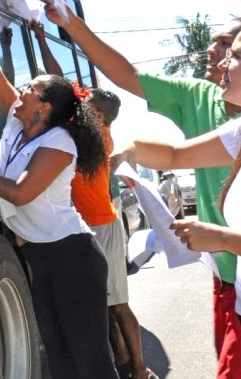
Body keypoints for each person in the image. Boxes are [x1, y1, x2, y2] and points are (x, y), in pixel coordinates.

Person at [38, 0, 241, 378]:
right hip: (227, 274)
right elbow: (132, 83)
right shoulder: (207, 104)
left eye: (228, 47)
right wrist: (71, 25)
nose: (214, 53)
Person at [0, 0, 117, 378]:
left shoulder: (57, 143)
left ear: (44, 109)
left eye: (30, 90)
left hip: (72, 256)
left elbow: (21, 194)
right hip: (42, 256)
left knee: (90, 361)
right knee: (59, 358)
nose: (20, 91)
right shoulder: (15, 122)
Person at [117, 17, 241, 378]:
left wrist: (220, 238)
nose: (222, 63)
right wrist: (125, 147)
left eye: (235, 55)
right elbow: (174, 155)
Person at [72, 89, 156, 379]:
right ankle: (122, 361)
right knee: (103, 303)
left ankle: (141, 370)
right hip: (86, 224)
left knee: (118, 303)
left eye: (87, 104)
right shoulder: (89, 133)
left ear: (99, 115)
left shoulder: (100, 138)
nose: (80, 106)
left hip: (102, 225)